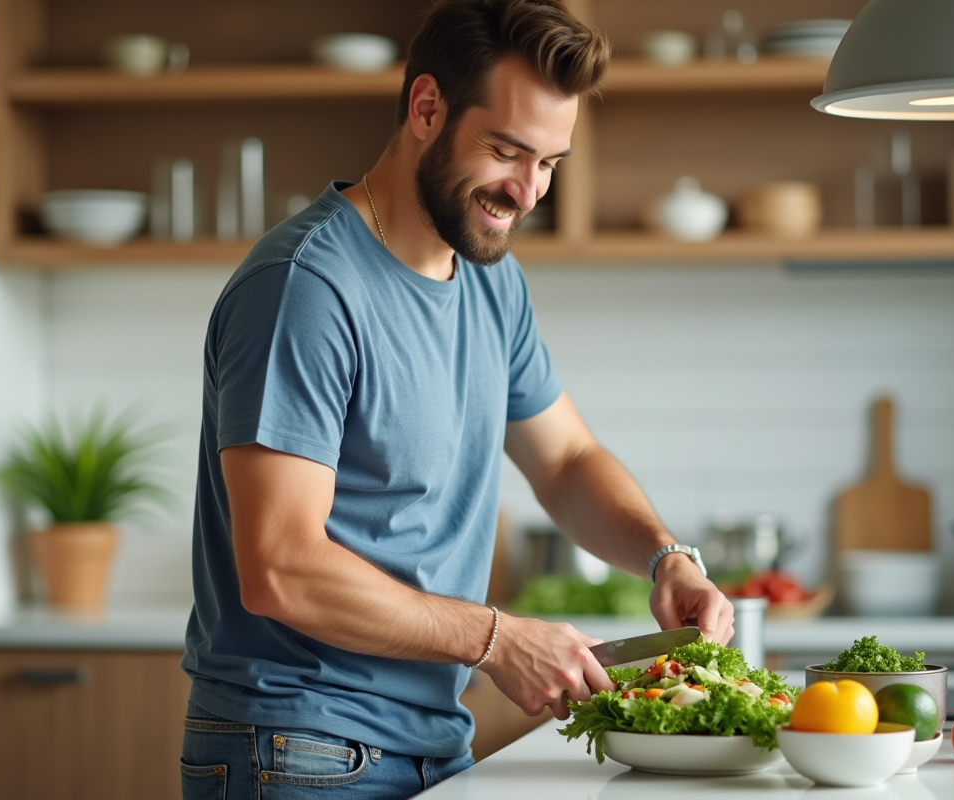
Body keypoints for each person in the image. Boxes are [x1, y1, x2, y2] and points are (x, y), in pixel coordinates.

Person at [179, 1, 735, 797]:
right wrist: (497, 640)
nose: (529, 191)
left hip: (432, 744)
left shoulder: (489, 279)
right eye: (508, 151)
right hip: (298, 749)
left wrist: (665, 558)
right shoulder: (306, 288)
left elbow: (568, 460)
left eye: (550, 162)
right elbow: (280, 567)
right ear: (427, 108)